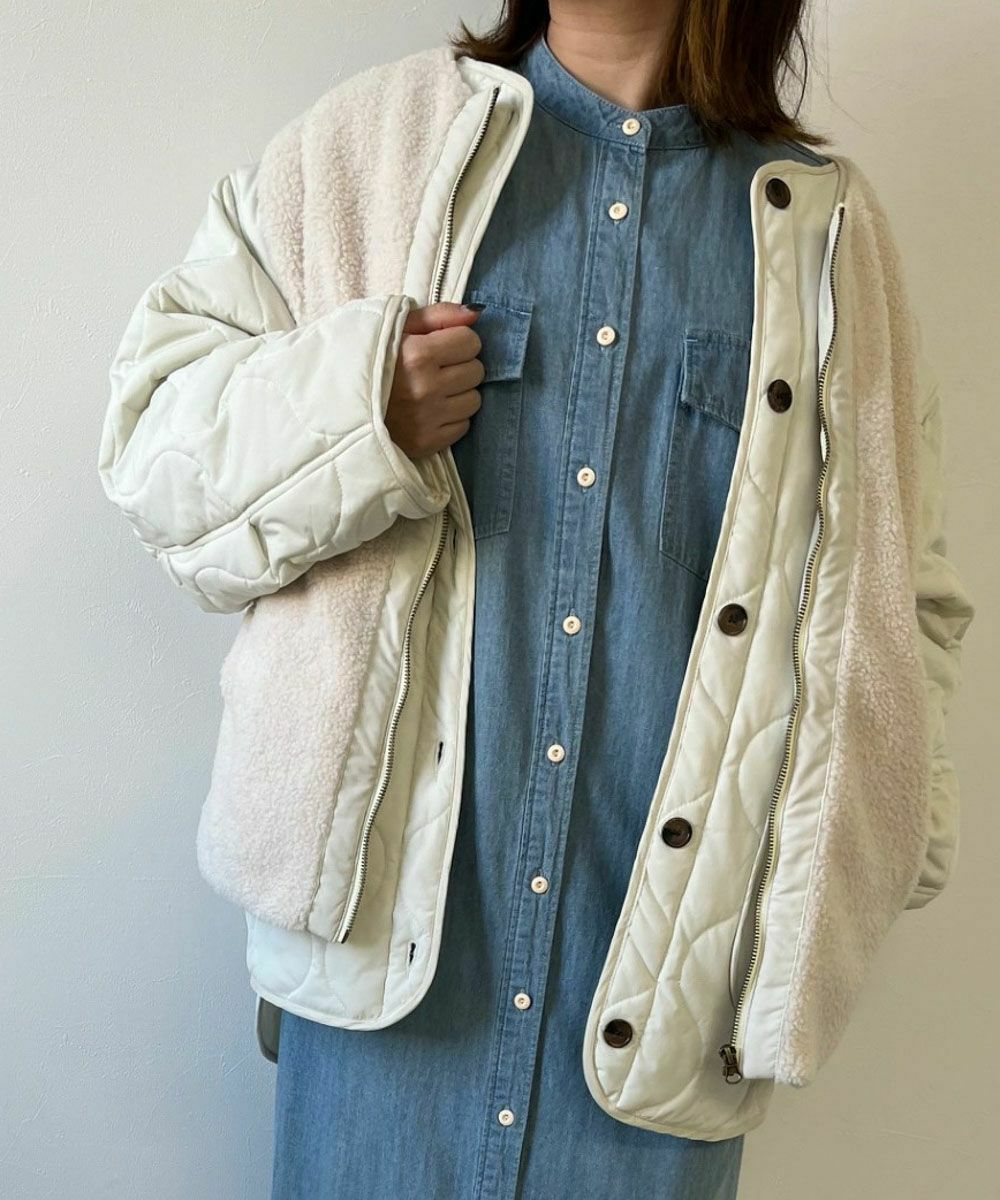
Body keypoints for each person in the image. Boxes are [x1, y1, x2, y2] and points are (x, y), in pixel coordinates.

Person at [97, 2, 975, 1197]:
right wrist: (359, 408)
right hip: (385, 998)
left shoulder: (824, 232)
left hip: (659, 1018)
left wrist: (866, 873)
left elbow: (901, 602)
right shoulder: (368, 150)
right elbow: (153, 457)